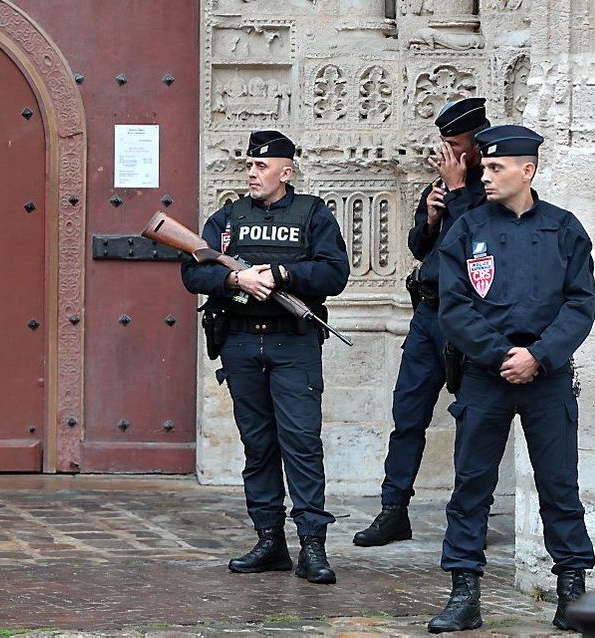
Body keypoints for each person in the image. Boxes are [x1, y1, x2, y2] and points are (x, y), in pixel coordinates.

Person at [428, 125, 595, 633]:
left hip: (546, 378)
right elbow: (453, 307)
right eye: (486, 166)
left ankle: (572, 594)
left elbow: (580, 304)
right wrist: (503, 354)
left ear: (529, 170)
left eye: (497, 168)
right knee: (472, 486)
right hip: (486, 375)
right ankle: (464, 594)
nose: (486, 175)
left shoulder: (565, 229)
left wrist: (539, 356)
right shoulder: (467, 229)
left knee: (560, 486)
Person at [181, 130, 349, 584]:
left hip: (292, 343)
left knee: (301, 444)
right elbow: (192, 271)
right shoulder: (229, 218)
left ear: (286, 171)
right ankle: (270, 540)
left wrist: (281, 273)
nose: (251, 173)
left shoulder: (313, 214)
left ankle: (312, 545)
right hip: (239, 343)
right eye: (248, 166)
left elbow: (335, 273)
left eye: (261, 167)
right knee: (258, 447)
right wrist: (235, 282)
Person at [354, 98, 491, 547]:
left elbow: (478, 244)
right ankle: (394, 510)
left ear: (475, 145)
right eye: (443, 145)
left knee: (473, 421)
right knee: (407, 413)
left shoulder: (490, 187)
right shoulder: (442, 186)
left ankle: (470, 519)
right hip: (427, 316)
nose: (447, 155)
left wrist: (457, 194)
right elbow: (420, 246)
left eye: (454, 146)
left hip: (468, 321)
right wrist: (432, 216)